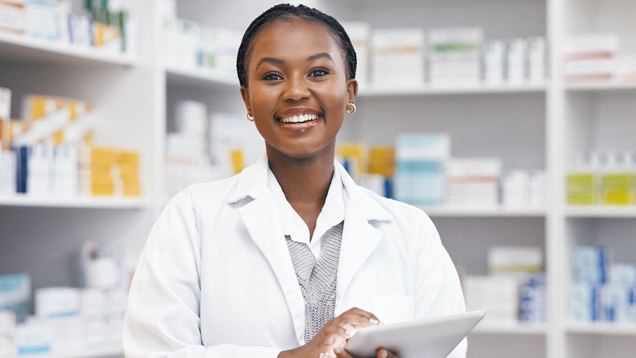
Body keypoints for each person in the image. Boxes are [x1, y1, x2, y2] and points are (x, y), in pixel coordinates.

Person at [123, 4, 466, 358]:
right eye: (272, 76)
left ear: (349, 93)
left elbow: (449, 350)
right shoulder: (191, 218)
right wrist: (297, 356)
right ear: (247, 99)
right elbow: (155, 352)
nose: (296, 92)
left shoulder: (410, 231)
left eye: (318, 72)